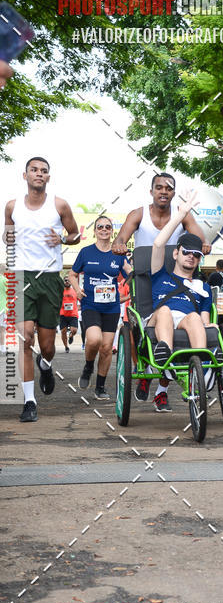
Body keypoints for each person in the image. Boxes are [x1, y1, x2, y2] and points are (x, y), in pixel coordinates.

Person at [111, 172, 210, 403]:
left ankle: (180, 379)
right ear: (152, 191)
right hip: (150, 270)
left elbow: (198, 237)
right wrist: (118, 245)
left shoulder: (182, 215)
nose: (163, 191)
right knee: (137, 326)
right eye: (159, 187)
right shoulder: (139, 214)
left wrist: (201, 244)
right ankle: (145, 369)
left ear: (174, 193)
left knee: (191, 315)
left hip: (179, 270)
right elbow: (121, 238)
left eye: (168, 188)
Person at [4, 156, 80, 422]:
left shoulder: (59, 205)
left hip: (49, 278)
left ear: (48, 177)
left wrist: (63, 238)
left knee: (47, 345)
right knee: (26, 337)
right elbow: (9, 236)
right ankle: (29, 401)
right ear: (24, 175)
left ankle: (45, 365)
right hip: (23, 277)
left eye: (44, 171)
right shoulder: (11, 207)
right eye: (34, 170)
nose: (39, 174)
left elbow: (76, 235)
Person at [149, 190, 216, 411]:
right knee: (166, 311)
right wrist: (182, 214)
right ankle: (165, 355)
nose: (191, 257)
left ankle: (201, 370)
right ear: (176, 253)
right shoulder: (160, 274)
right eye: (187, 252)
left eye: (196, 255)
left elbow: (203, 318)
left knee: (196, 317)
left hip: (188, 321)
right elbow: (159, 244)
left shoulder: (203, 287)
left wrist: (210, 326)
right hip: (159, 319)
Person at [69, 216, 131, 400]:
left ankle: (100, 387)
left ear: (112, 231)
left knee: (106, 348)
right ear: (95, 231)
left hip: (111, 307)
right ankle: (88, 366)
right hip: (90, 305)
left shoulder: (118, 255)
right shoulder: (86, 252)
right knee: (94, 340)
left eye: (108, 227)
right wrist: (77, 290)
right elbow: (72, 274)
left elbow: (130, 273)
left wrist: (135, 278)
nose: (104, 229)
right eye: (100, 227)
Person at [59, 276, 79, 352]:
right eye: (65, 280)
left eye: (68, 280)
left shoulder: (75, 291)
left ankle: (71, 336)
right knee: (63, 331)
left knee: (74, 330)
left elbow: (80, 299)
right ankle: (66, 347)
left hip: (73, 314)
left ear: (71, 282)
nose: (67, 282)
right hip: (63, 314)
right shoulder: (60, 292)